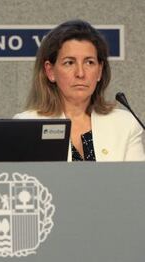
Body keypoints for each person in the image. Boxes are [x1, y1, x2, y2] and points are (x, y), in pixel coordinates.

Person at [14, 19, 145, 161]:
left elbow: (136, 181)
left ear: (99, 71)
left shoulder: (125, 125)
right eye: (69, 63)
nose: (81, 73)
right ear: (50, 71)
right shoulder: (26, 126)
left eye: (89, 62)